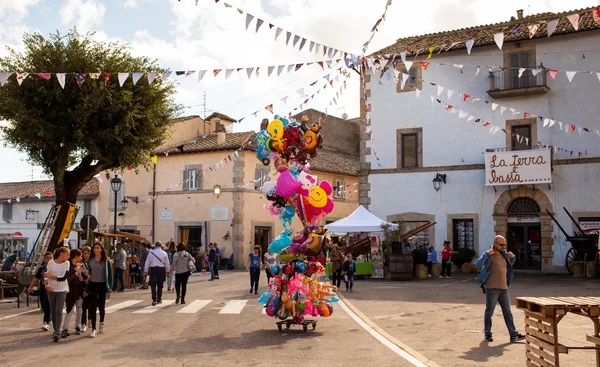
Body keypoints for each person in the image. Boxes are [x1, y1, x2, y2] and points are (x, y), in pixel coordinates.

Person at [476, 235, 525, 343]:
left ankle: (513, 334)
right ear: (495, 243)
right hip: (491, 288)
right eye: (501, 244)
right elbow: (478, 264)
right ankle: (487, 333)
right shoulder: (488, 254)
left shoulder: (504, 255)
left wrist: (513, 258)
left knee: (508, 312)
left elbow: (507, 267)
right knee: (489, 311)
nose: (503, 246)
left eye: (505, 245)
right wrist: (487, 254)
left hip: (503, 288)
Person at [85, 242, 113, 338]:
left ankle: (101, 322)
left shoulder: (106, 261)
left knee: (101, 306)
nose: (96, 249)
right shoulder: (91, 261)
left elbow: (109, 276)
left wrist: (109, 289)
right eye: (94, 248)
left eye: (98, 248)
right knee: (92, 306)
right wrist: (87, 288)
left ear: (101, 249)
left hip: (102, 285)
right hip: (93, 284)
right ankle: (93, 328)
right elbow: (89, 274)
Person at [43, 247, 71, 342]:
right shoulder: (51, 263)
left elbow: (63, 277)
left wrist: (49, 276)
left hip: (62, 290)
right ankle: (55, 329)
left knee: (59, 310)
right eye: (67, 254)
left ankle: (57, 332)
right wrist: (46, 286)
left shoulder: (67, 263)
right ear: (61, 254)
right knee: (53, 310)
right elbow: (45, 275)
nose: (68, 256)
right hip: (51, 290)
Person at [61, 249, 86, 337]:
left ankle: (78, 326)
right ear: (76, 256)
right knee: (70, 310)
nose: (81, 258)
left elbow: (84, 277)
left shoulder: (79, 266)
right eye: (80, 256)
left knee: (79, 309)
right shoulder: (69, 266)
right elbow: (68, 279)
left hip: (79, 290)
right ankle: (65, 328)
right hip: (71, 291)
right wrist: (76, 273)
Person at [27, 252, 53, 331]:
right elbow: (36, 278)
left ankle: (46, 322)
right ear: (44, 259)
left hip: (51, 289)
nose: (49, 259)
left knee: (48, 305)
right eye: (47, 258)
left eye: (50, 258)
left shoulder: (54, 268)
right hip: (42, 289)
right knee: (44, 306)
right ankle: (49, 319)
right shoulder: (41, 269)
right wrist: (30, 287)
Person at [144, 241, 170, 306]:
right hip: (161, 270)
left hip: (153, 269)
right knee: (160, 285)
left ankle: (154, 299)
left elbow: (147, 262)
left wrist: (145, 271)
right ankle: (159, 298)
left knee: (153, 285)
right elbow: (167, 263)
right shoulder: (164, 253)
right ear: (161, 246)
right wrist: (168, 271)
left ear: (155, 246)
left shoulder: (151, 252)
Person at [79, 246, 92, 332]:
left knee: (91, 304)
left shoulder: (92, 263)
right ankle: (83, 323)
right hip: (83, 285)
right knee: (83, 306)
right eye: (84, 253)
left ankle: (90, 319)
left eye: (88, 253)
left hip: (91, 285)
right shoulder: (81, 264)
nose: (86, 255)